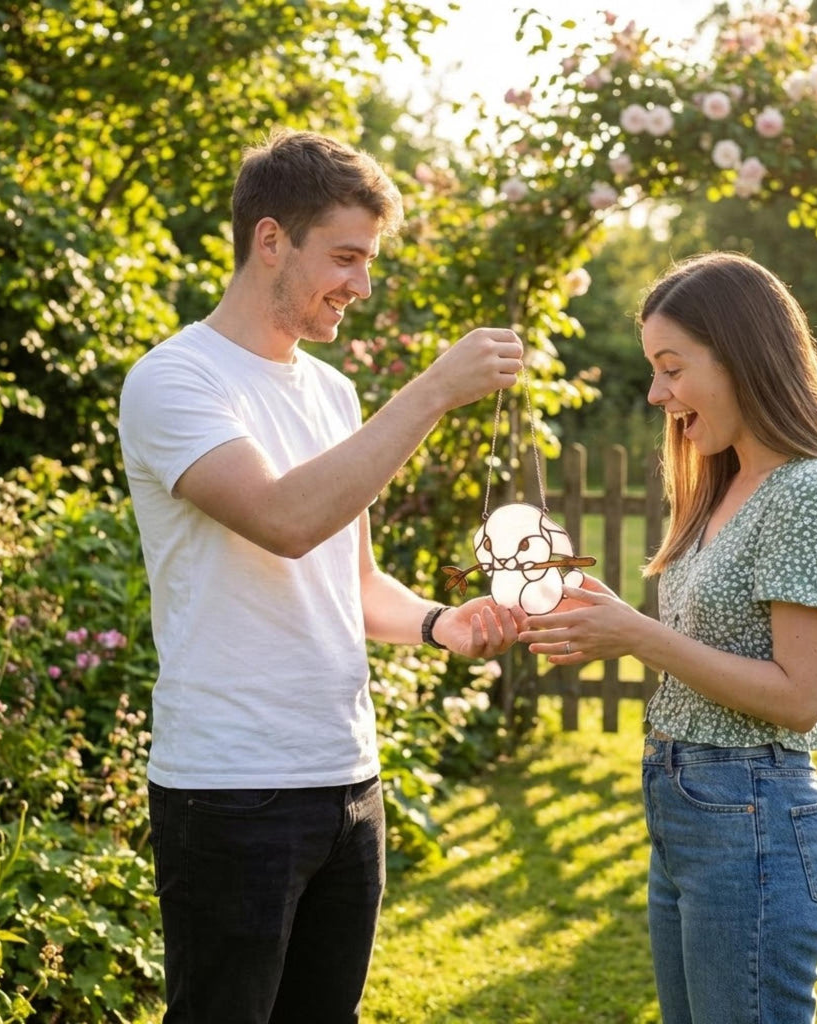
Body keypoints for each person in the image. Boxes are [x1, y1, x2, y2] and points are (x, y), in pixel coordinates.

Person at [118, 127, 525, 1024]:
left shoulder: (333, 392)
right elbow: (287, 521)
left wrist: (438, 623)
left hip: (348, 780)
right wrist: (431, 391)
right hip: (230, 791)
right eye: (346, 256)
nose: (363, 285)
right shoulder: (175, 381)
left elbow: (354, 578)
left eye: (369, 260)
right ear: (271, 240)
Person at [519, 251, 817, 1024]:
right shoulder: (723, 485)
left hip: (751, 820)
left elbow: (798, 698)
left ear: (743, 353)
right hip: (690, 817)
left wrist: (642, 637)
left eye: (672, 368)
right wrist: (616, 616)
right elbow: (708, 643)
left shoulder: (810, 492)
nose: (657, 394)